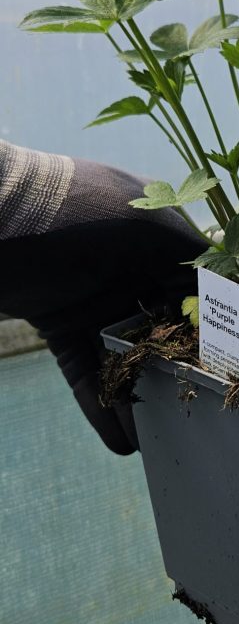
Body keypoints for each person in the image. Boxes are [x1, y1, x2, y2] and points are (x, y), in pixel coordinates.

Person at [0, 139, 202, 455]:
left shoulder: (112, 219)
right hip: (67, 310)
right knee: (124, 435)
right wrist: (46, 307)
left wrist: (33, 191)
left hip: (117, 239)